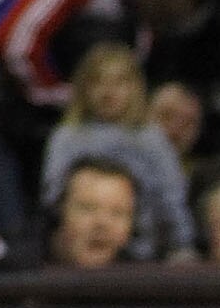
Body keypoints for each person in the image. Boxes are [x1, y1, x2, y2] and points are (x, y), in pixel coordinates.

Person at [37, 39, 195, 257]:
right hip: (77, 255)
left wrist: (182, 247)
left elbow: (172, 200)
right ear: (83, 87)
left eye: (119, 82)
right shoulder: (67, 136)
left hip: (145, 255)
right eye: (98, 82)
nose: (108, 92)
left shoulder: (151, 138)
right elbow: (52, 200)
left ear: (135, 87)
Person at [47, 157, 139, 269]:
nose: (102, 223)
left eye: (117, 213)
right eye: (88, 209)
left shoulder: (146, 277)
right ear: (59, 211)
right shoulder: (24, 272)